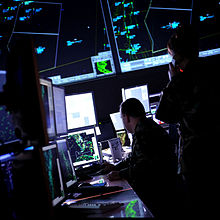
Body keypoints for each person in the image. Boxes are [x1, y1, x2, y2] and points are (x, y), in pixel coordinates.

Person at [156, 24, 219, 218]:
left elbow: (162, 114)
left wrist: (173, 80)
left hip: (196, 161)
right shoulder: (212, 72)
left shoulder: (184, 80)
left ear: (176, 58)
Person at [107, 98, 177, 218]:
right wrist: (116, 168)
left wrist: (120, 174)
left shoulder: (143, 133)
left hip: (159, 194)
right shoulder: (147, 126)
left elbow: (143, 168)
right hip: (168, 189)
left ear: (127, 117)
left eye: (122, 118)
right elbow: (135, 158)